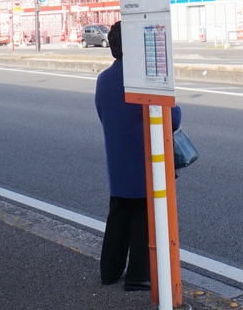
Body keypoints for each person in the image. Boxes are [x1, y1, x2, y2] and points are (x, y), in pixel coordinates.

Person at [94, 21, 181, 292]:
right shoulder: (144, 79)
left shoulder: (104, 79)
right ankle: (137, 276)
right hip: (146, 161)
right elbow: (173, 118)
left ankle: (109, 272)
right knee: (144, 218)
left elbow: (103, 113)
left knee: (118, 215)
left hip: (118, 160)